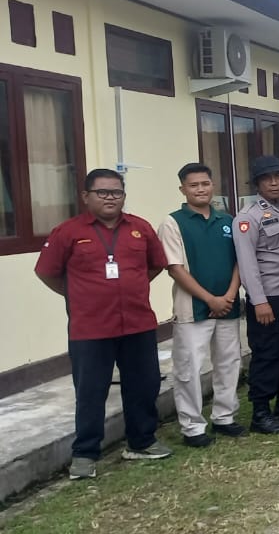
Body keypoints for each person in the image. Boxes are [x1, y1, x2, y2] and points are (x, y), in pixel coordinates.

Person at [35, 169, 172, 480]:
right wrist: (78, 294)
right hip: (90, 328)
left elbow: (155, 265)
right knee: (90, 392)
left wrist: (130, 287)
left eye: (117, 192)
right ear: (86, 196)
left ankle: (141, 442)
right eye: (103, 192)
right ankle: (85, 453)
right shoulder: (67, 232)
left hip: (137, 323)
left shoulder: (139, 228)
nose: (111, 198)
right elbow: (47, 272)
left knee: (144, 385)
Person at [157, 163, 245, 448]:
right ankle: (193, 427)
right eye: (193, 185)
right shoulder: (173, 223)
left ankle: (224, 417)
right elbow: (175, 268)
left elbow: (240, 261)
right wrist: (210, 299)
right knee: (189, 368)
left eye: (205, 183)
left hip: (228, 306)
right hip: (192, 309)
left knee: (229, 363)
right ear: (182, 189)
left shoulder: (226, 220)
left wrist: (229, 295)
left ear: (212, 185)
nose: (200, 189)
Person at [233, 155, 279, 435]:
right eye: (267, 179)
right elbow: (247, 264)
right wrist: (259, 301)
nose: (274, 183)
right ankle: (260, 412)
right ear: (258, 184)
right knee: (268, 354)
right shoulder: (247, 218)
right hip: (269, 298)